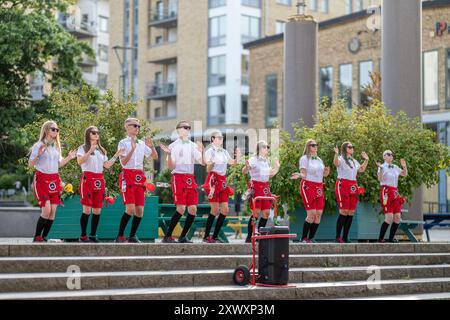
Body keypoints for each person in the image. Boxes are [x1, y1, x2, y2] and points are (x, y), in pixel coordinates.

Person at [28, 121, 77, 242]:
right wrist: (38, 155)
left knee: (53, 212)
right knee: (46, 210)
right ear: (46, 130)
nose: (56, 131)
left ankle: (44, 237)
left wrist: (69, 157)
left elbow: (59, 164)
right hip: (41, 179)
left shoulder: (56, 147)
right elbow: (30, 165)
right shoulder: (38, 145)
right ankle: (37, 236)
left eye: (57, 130)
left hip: (54, 180)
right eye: (53, 129)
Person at [77, 126, 124, 242]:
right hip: (87, 178)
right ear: (88, 134)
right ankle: (83, 236)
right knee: (87, 209)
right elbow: (79, 161)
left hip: (99, 179)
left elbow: (106, 165)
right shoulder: (82, 148)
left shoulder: (102, 150)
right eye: (93, 133)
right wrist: (89, 151)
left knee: (97, 210)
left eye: (97, 133)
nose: (96, 134)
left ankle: (93, 235)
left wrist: (116, 155)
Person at [160, 121, 205, 243]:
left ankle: (183, 237)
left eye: (189, 128)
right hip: (178, 176)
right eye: (185, 127)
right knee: (180, 208)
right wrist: (169, 155)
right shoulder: (173, 146)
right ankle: (167, 236)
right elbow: (171, 167)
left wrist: (202, 151)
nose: (188, 129)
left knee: (193, 209)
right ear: (178, 130)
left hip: (190, 178)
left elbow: (202, 162)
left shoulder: (192, 145)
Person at [115, 118, 158, 243]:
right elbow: (123, 162)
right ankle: (120, 235)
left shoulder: (141, 143)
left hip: (139, 176)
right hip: (127, 174)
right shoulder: (123, 143)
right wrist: (132, 149)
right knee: (130, 209)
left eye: (138, 126)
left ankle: (132, 235)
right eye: (134, 125)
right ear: (126, 126)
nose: (137, 128)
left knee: (140, 211)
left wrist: (152, 146)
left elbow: (154, 156)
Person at [202, 131, 241, 243]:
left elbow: (233, 163)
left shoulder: (224, 152)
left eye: (222, 137)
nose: (221, 139)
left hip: (223, 180)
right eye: (219, 137)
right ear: (213, 139)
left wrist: (237, 157)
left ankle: (214, 236)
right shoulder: (210, 151)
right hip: (213, 180)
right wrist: (212, 163)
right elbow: (208, 169)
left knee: (225, 209)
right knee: (214, 209)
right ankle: (206, 236)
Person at [291, 139, 330, 243]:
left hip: (319, 186)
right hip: (308, 185)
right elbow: (303, 174)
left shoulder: (319, 159)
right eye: (313, 145)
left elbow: (323, 175)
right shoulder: (304, 158)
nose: (315, 147)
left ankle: (311, 238)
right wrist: (299, 175)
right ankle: (303, 238)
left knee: (318, 214)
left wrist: (326, 172)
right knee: (311, 213)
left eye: (316, 145)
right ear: (308, 147)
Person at [242, 141, 280, 243]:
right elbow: (244, 171)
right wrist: (246, 167)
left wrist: (277, 167)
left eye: (268, 147)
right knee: (256, 212)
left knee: (266, 213)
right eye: (265, 147)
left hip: (265, 186)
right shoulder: (254, 159)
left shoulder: (265, 160)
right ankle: (250, 236)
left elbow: (270, 175)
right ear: (259, 149)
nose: (267, 149)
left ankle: (260, 235)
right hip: (257, 185)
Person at [333, 142, 369, 243]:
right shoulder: (341, 158)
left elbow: (361, 169)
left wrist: (366, 160)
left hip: (353, 185)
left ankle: (345, 236)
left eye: (353, 147)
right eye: (350, 147)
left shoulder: (353, 161)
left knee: (351, 212)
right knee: (343, 211)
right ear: (345, 149)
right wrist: (336, 154)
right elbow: (336, 163)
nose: (352, 148)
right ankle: (338, 237)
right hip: (343, 184)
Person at [377, 150, 408, 243]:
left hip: (394, 191)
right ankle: (380, 238)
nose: (391, 156)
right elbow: (379, 179)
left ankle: (391, 239)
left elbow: (404, 174)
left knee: (397, 217)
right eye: (388, 154)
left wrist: (404, 166)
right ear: (384, 157)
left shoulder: (395, 167)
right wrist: (381, 169)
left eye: (392, 154)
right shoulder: (382, 166)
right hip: (386, 191)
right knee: (389, 217)